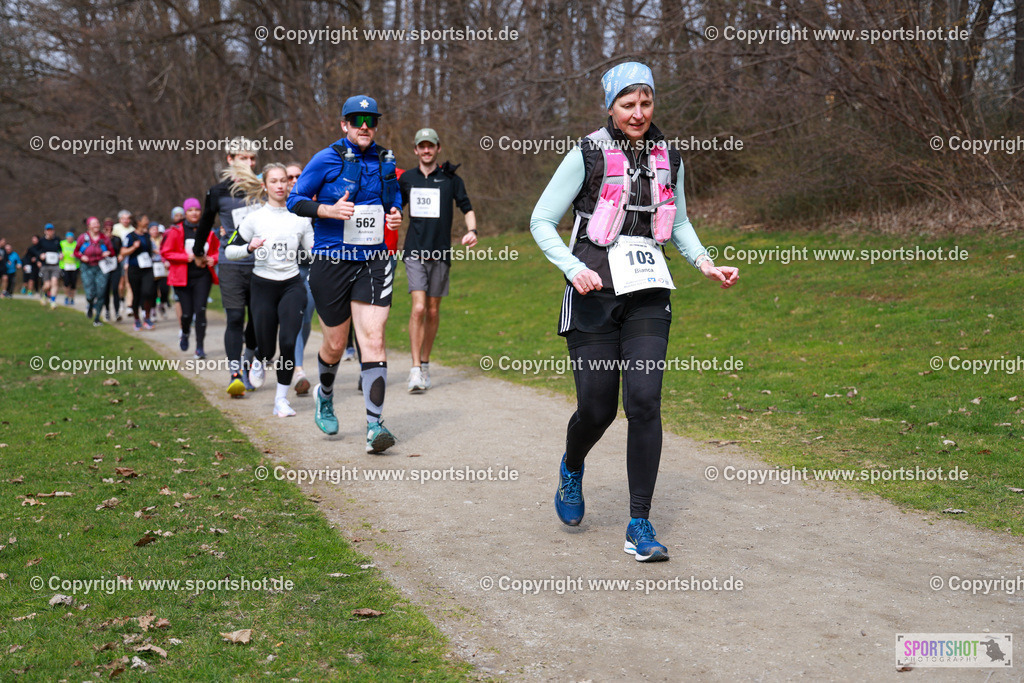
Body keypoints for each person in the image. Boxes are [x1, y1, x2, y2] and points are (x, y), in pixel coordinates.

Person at [530, 63, 739, 562]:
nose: (638, 113)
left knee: (644, 402)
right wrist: (570, 266)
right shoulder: (586, 154)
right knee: (598, 409)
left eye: (645, 103)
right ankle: (573, 464)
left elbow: (680, 221)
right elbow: (541, 220)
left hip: (648, 294)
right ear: (610, 108)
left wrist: (705, 262)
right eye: (628, 104)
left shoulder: (671, 156)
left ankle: (639, 522)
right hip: (594, 295)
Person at [287, 94, 402, 454]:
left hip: (374, 260)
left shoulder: (385, 158)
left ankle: (374, 426)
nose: (364, 126)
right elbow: (295, 200)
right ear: (344, 124)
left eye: (371, 121)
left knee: (374, 339)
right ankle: (325, 394)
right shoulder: (326, 158)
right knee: (335, 344)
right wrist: (326, 210)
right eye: (356, 120)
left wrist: (395, 214)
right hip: (332, 260)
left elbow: (394, 199)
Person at [226, 163, 314, 416]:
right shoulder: (253, 218)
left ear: (289, 184)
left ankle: (281, 400)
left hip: (292, 284)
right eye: (273, 181)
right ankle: (259, 360)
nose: (279, 185)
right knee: (266, 348)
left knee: (287, 342)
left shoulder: (300, 216)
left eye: (283, 180)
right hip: (262, 285)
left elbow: (313, 252)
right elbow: (230, 251)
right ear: (265, 185)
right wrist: (249, 248)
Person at [399, 128, 477, 392]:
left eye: (430, 146)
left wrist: (472, 231)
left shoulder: (451, 179)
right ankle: (414, 370)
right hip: (414, 252)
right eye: (421, 146)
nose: (426, 150)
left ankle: (425, 362)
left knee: (432, 310)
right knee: (419, 308)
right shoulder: (407, 178)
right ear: (415, 150)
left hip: (440, 253)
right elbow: (395, 208)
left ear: (437, 148)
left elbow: (466, 207)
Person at [191, 137, 261, 397]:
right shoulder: (217, 192)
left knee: (257, 320)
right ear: (230, 159)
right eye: (243, 157)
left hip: (261, 264)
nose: (250, 162)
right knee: (234, 318)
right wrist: (198, 251)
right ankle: (235, 373)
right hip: (230, 262)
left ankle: (249, 361)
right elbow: (205, 224)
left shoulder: (263, 188)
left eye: (253, 158)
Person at [161, 198, 219, 359]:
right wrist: (184, 257)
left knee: (200, 311)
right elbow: (166, 252)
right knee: (186, 314)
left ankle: (200, 347)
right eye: (190, 210)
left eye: (197, 210)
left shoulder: (208, 230)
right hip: (182, 278)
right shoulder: (176, 231)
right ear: (185, 213)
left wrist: (213, 258)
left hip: (202, 276)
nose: (194, 213)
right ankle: (185, 332)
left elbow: (217, 250)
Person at [284, 161, 315, 395]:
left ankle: (297, 363)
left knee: (306, 321)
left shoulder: (313, 202)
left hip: (312, 270)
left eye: (298, 176)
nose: (294, 180)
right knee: (294, 318)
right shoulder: (279, 207)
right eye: (290, 176)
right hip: (288, 271)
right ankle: (298, 370)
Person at [75, 217, 114, 326]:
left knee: (101, 293)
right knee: (90, 294)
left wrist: (108, 254)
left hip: (101, 267)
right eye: (94, 223)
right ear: (89, 226)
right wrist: (81, 257)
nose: (96, 225)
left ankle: (97, 318)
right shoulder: (83, 238)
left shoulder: (104, 238)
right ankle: (90, 304)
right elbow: (76, 252)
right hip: (86, 267)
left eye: (97, 223)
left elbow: (112, 252)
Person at [121, 217, 156, 329]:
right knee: (136, 295)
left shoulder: (147, 236)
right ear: (138, 222)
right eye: (145, 219)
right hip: (134, 269)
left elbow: (153, 249)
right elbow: (123, 251)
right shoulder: (130, 236)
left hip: (147, 268)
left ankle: (147, 317)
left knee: (148, 292)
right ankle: (136, 319)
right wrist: (133, 247)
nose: (147, 221)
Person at [101, 219, 125, 321]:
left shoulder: (117, 239)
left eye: (110, 229)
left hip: (116, 266)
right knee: (106, 289)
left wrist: (121, 255)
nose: (109, 231)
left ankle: (117, 312)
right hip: (104, 267)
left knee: (115, 289)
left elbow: (122, 250)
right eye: (107, 229)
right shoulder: (100, 240)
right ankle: (107, 311)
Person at [38, 223, 62, 308]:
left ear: (53, 231)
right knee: (47, 285)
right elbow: (36, 251)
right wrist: (40, 255)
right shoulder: (41, 241)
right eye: (48, 230)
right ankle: (43, 293)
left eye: (51, 230)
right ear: (45, 231)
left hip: (55, 265)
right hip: (45, 265)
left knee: (54, 282)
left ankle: (53, 301)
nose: (50, 232)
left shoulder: (57, 240)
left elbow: (60, 249)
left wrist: (61, 255)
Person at [149, 222, 170, 320]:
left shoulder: (163, 239)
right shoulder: (147, 240)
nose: (155, 231)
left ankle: (161, 303)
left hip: (163, 266)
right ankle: (152, 309)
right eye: (152, 229)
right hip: (151, 266)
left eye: (156, 229)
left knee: (164, 289)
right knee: (153, 290)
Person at [59, 231, 80, 305]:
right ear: (66, 238)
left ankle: (72, 298)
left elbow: (80, 252)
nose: (70, 239)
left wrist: (76, 255)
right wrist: (60, 255)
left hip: (75, 266)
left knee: (73, 283)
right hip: (65, 266)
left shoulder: (76, 244)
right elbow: (58, 251)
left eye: (71, 238)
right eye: (68, 237)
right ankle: (66, 297)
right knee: (66, 283)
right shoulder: (62, 243)